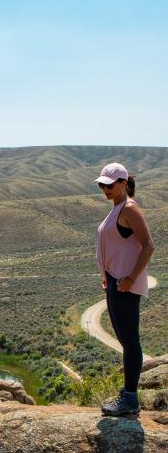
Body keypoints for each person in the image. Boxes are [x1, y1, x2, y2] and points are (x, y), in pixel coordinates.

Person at [94, 162, 154, 416]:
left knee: (130, 341)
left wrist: (130, 278)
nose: (105, 189)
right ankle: (128, 396)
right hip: (115, 281)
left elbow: (149, 246)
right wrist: (107, 275)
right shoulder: (117, 208)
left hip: (124, 284)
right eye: (102, 185)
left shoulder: (129, 209)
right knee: (125, 339)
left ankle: (130, 399)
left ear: (122, 183)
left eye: (109, 185)